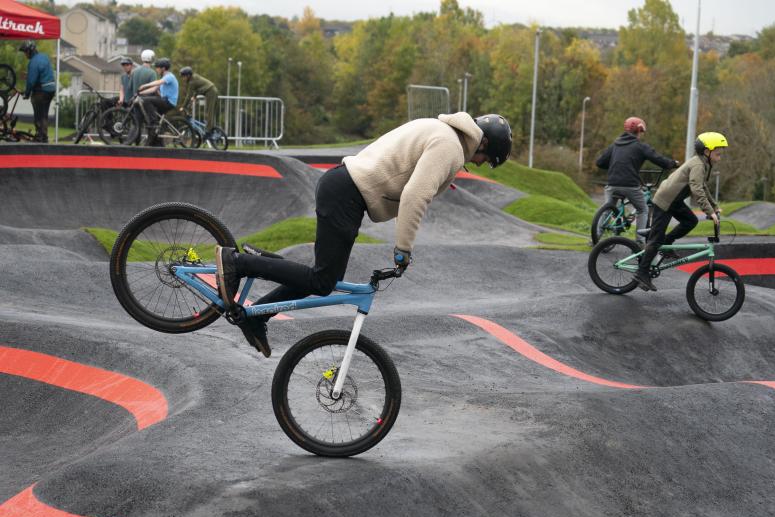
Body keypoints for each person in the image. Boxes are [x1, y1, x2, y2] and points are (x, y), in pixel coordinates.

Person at [215, 112, 513, 357]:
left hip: (345, 190)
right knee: (322, 280)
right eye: (486, 159)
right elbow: (415, 195)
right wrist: (403, 250)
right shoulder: (449, 145)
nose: (479, 164)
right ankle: (238, 263)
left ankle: (257, 316)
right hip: (347, 194)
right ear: (482, 141)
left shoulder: (440, 129)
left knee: (323, 278)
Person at [633, 131, 728, 292]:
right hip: (665, 201)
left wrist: (714, 206)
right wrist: (709, 211)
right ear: (707, 151)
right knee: (655, 240)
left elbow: (703, 186)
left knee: (690, 221)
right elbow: (697, 189)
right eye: (718, 152)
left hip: (673, 201)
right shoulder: (698, 165)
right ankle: (641, 273)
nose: (720, 156)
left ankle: (666, 243)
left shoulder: (702, 163)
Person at [595, 116, 679, 245]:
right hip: (630, 185)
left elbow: (600, 163)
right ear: (639, 131)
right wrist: (672, 164)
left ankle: (595, 237)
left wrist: (613, 165)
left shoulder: (615, 145)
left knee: (608, 209)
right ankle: (640, 242)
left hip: (612, 184)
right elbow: (657, 158)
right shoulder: (640, 146)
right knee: (643, 209)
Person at [19, 40, 56, 143]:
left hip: (42, 91)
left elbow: (31, 81)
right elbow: (42, 73)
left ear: (30, 51)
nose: (25, 55)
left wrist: (26, 94)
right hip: (51, 89)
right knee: (44, 114)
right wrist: (29, 75)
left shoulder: (33, 62)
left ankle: (40, 136)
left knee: (38, 113)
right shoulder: (44, 56)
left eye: (25, 52)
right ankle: (44, 136)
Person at [138, 58, 179, 145]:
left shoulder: (169, 76)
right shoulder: (164, 78)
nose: (156, 69)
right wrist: (140, 93)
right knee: (156, 123)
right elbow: (154, 89)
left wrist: (144, 85)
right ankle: (157, 142)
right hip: (164, 101)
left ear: (163, 68)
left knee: (146, 101)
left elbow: (158, 82)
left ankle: (153, 123)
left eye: (157, 68)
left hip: (168, 102)